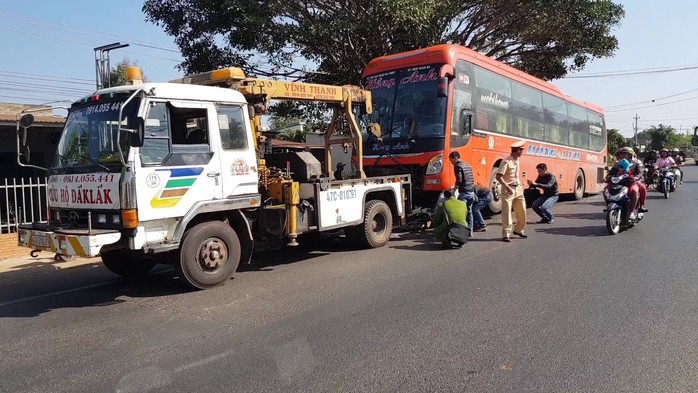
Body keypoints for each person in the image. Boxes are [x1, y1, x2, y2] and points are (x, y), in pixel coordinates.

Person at [496, 141, 527, 242]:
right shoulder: (506, 161)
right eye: (521, 150)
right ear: (517, 151)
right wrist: (507, 186)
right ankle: (506, 234)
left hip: (518, 188)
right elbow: (498, 176)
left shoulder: (516, 160)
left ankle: (519, 230)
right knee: (507, 213)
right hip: (508, 189)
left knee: (522, 211)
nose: (522, 152)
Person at [448, 151, 476, 233]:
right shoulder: (468, 165)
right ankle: (470, 231)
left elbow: (459, 180)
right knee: (469, 212)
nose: (451, 162)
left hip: (464, 193)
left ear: (455, 158)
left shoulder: (458, 166)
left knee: (460, 212)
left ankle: (461, 232)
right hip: (471, 192)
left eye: (451, 160)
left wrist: (454, 190)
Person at [613, 147, 647, 213]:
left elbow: (641, 172)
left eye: (624, 154)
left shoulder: (637, 162)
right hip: (620, 180)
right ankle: (609, 205)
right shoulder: (618, 162)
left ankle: (639, 207)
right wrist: (608, 177)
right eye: (621, 154)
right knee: (606, 189)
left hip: (633, 181)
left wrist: (636, 178)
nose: (622, 156)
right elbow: (612, 172)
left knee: (641, 188)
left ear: (630, 155)